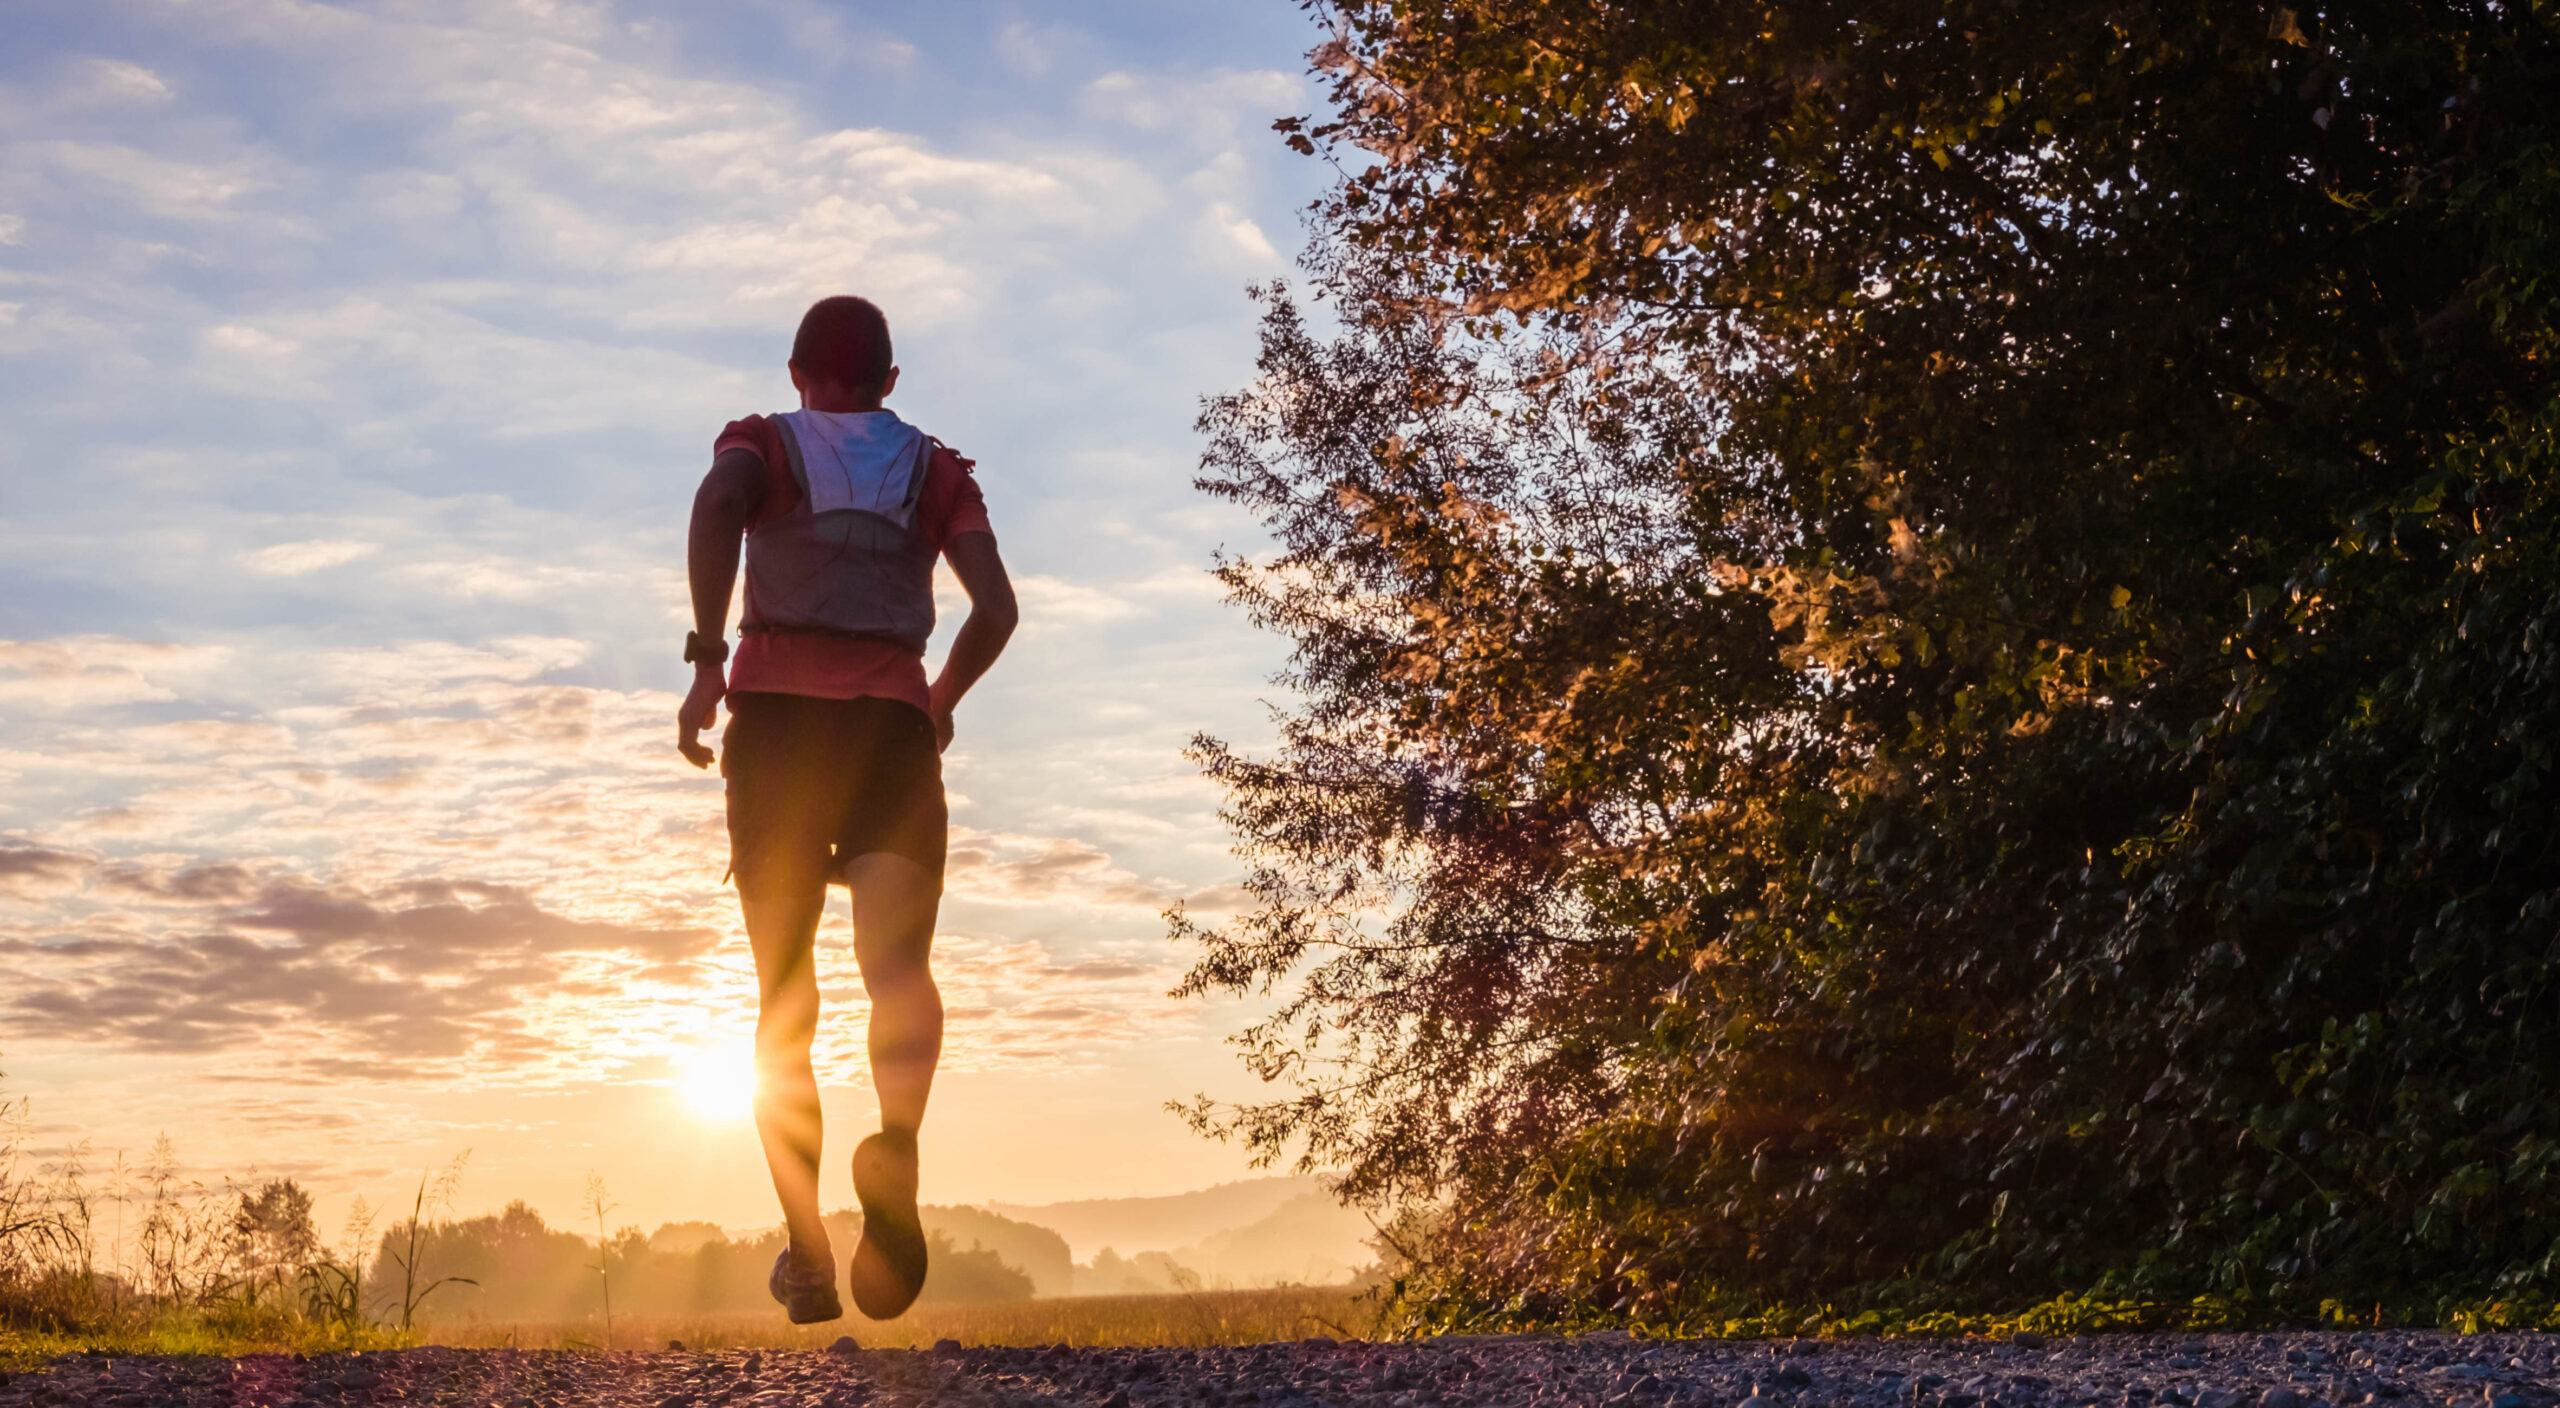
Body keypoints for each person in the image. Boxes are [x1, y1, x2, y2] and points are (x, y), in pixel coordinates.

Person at [676, 295, 1017, 1324]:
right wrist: (936, 703)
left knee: (785, 996)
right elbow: (996, 610)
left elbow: (717, 503)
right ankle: (896, 1144)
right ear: (890, 382)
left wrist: (707, 659)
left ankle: (809, 1249)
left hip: (778, 734)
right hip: (890, 741)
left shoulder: (763, 444)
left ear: (796, 373)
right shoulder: (935, 471)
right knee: (898, 972)